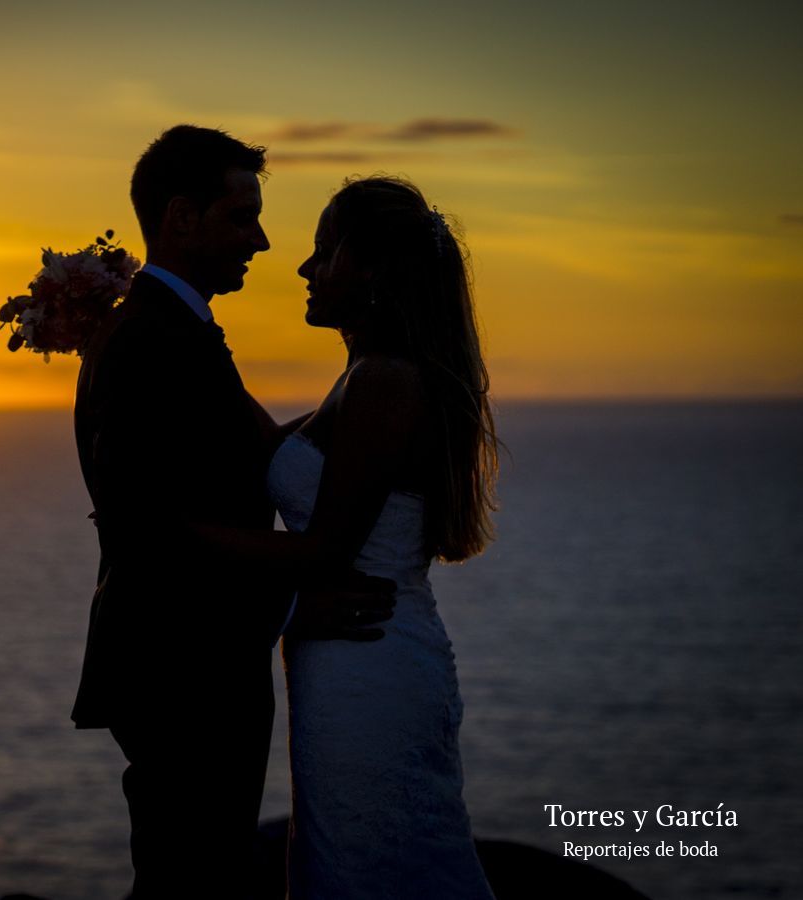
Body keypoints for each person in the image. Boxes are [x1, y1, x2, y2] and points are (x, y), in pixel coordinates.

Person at [71, 126, 395, 898]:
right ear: (181, 218)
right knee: (192, 883)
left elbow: (217, 474)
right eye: (241, 216)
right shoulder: (154, 339)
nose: (261, 240)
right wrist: (298, 589)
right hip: (183, 672)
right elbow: (152, 529)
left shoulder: (170, 329)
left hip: (186, 664)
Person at [270, 175, 500, 897]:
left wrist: (181, 536)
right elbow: (258, 446)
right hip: (353, 660)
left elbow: (322, 554)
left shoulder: (384, 383)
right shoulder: (361, 377)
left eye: (324, 252)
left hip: (369, 665)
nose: (307, 270)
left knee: (370, 866)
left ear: (368, 270)